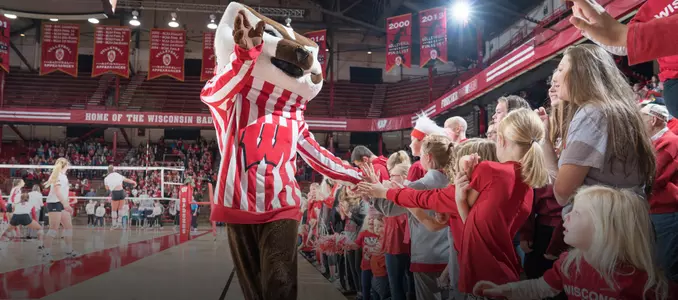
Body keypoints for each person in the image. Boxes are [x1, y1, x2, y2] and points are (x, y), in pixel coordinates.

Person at [359, 108, 548, 296]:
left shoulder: (490, 171)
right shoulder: (527, 184)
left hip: (480, 281)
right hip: (504, 276)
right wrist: (459, 203)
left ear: (500, 139)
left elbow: (428, 198)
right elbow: (480, 233)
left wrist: (386, 193)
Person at [473, 186, 670, 300]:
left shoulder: (645, 285)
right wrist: (503, 290)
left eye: (575, 213)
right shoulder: (568, 263)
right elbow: (540, 288)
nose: (565, 217)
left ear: (604, 228)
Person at [543, 44, 656, 205]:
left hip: (602, 223)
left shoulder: (592, 114)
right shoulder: (612, 109)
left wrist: (543, 143)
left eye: (561, 69)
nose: (554, 77)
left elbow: (563, 194)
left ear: (582, 73)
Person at [369, 134, 453, 300]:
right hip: (452, 258)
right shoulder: (454, 183)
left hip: (427, 256)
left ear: (428, 158)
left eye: (421, 155)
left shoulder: (418, 186)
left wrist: (375, 189)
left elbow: (388, 209)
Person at [568, 0, 678, 117]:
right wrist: (620, 39)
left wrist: (623, 36)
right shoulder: (648, 9)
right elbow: (625, 42)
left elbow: (626, 37)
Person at [639, 103, 678, 281]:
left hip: (667, 213)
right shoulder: (656, 142)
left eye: (642, 118)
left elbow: (651, 178)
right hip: (655, 210)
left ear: (653, 120)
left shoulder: (670, 141)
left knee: (664, 267)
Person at [42, 158, 79, 262]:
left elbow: (62, 193)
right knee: (53, 228)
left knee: (68, 227)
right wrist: (66, 204)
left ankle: (69, 250)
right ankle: (46, 253)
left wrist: (65, 204)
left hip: (61, 203)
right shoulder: (57, 175)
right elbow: (57, 192)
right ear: (65, 165)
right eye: (68, 164)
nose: (69, 166)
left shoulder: (63, 176)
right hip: (54, 203)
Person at [104, 165, 137, 230]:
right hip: (122, 192)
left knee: (114, 210)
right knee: (120, 209)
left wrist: (111, 186)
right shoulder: (117, 175)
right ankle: (119, 223)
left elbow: (107, 188)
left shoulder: (106, 178)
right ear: (113, 170)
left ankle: (114, 225)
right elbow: (126, 180)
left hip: (115, 193)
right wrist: (134, 182)